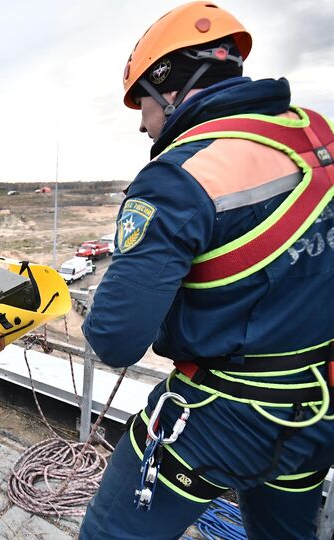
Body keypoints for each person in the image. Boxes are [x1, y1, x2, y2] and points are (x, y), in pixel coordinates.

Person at [80, 2, 334, 538]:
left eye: (142, 105)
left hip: (219, 413)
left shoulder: (177, 177)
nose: (144, 124)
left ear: (170, 87)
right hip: (317, 408)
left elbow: (115, 339)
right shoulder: (318, 138)